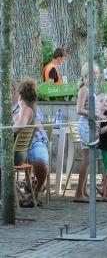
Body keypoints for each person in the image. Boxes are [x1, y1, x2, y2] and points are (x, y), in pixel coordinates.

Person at [12, 79, 50, 207]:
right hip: (19, 147)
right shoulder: (15, 108)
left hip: (33, 142)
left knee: (40, 162)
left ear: (19, 95)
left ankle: (36, 190)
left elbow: (22, 126)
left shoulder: (26, 108)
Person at [74, 62, 105, 203]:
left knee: (89, 161)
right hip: (85, 127)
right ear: (86, 75)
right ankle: (78, 193)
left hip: (90, 126)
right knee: (87, 161)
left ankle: (83, 191)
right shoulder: (84, 90)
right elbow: (79, 110)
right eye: (93, 74)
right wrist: (96, 115)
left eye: (97, 74)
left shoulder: (90, 90)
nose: (96, 76)